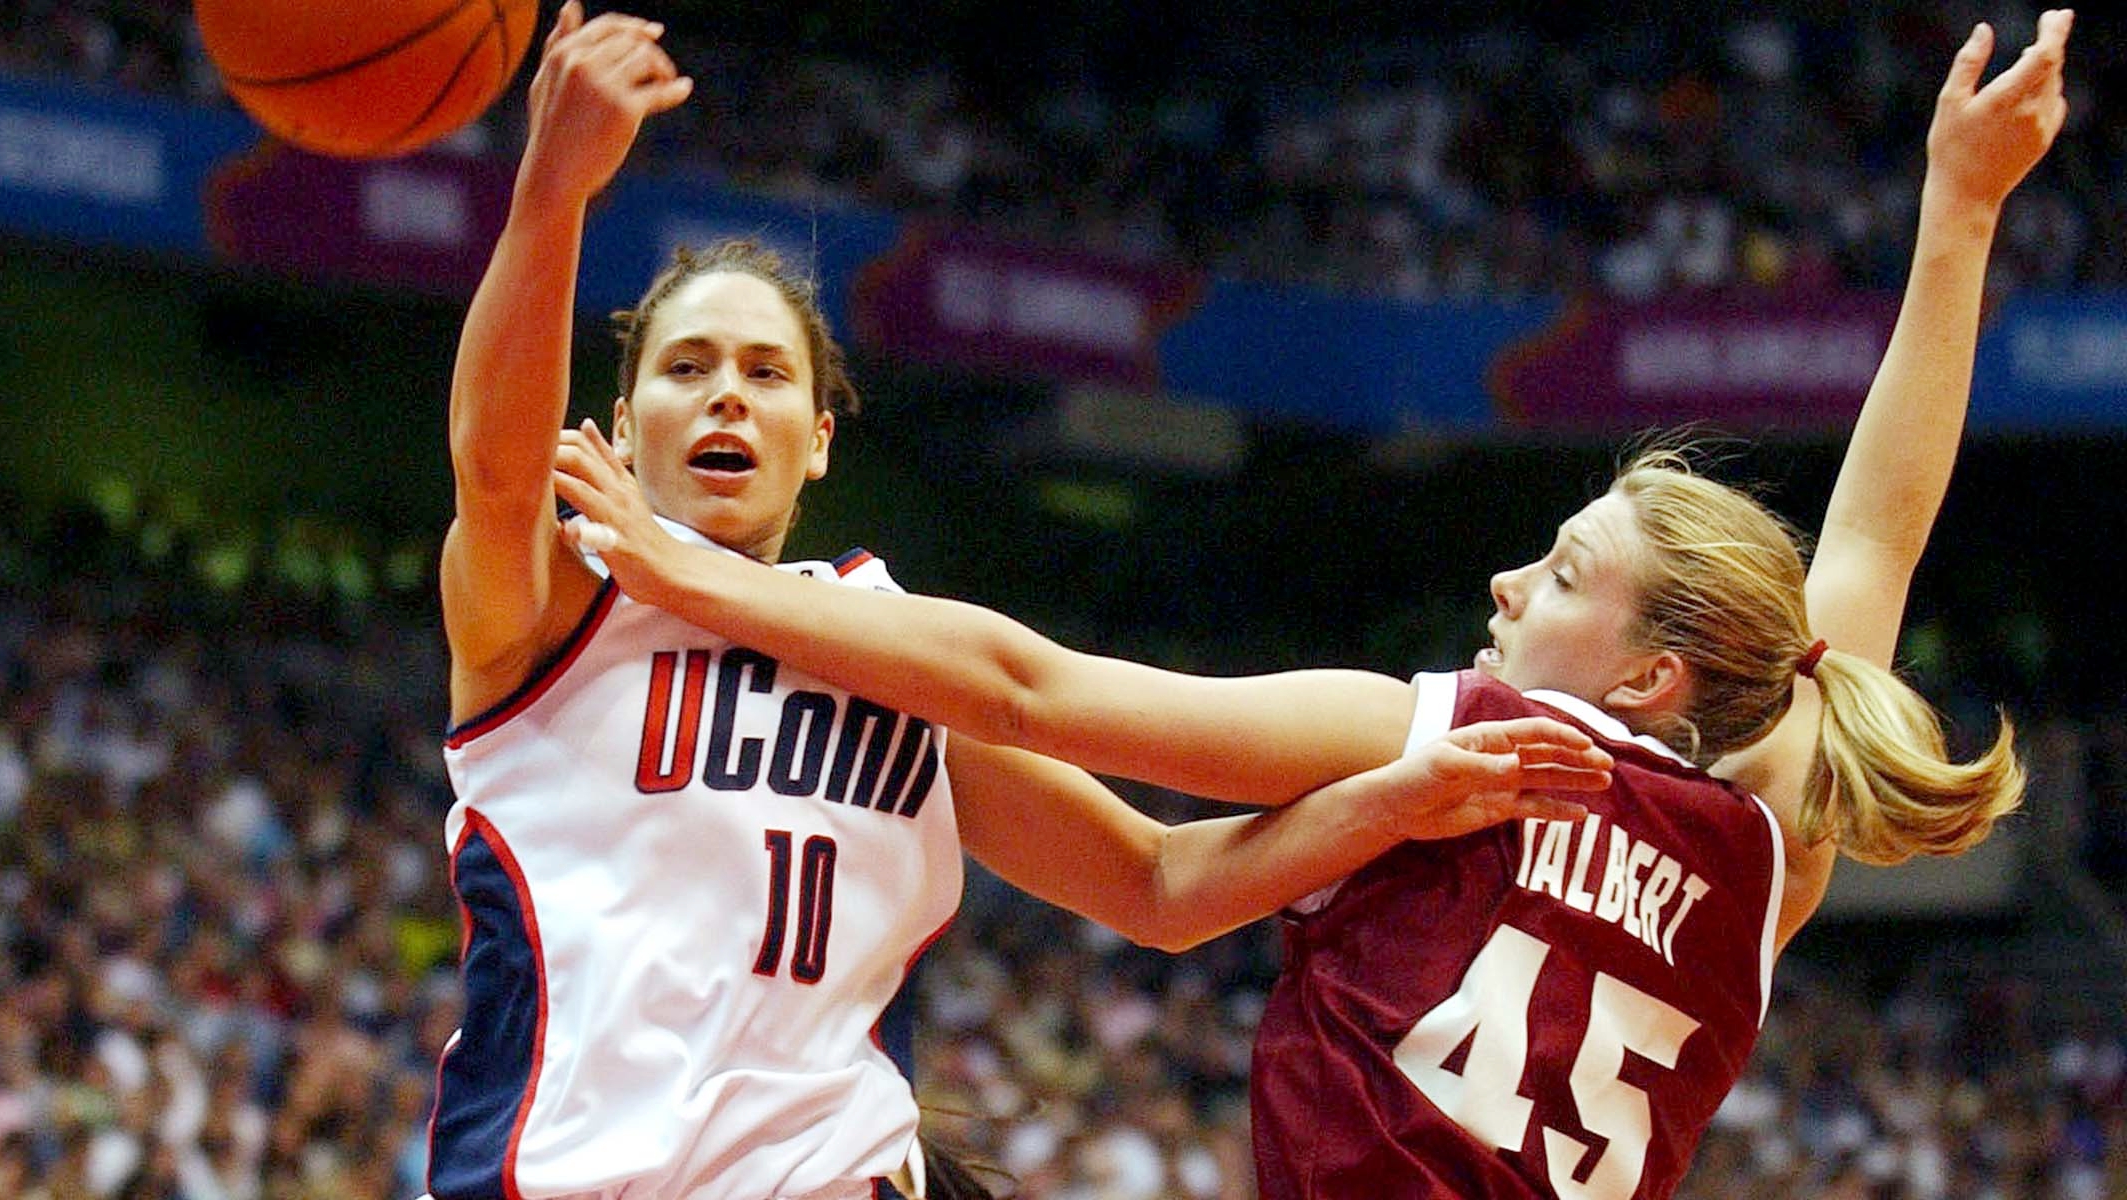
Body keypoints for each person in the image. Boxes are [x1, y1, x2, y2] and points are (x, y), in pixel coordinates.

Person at [548, 11, 2074, 1198]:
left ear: (1651, 680)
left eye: (1557, 574)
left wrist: (695, 577)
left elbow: (1028, 690)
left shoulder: (1471, 744)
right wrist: (1960, 216)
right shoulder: (1763, 859)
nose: (1504, 582)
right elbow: (1872, 543)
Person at [429, 5, 1614, 1199]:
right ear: (623, 431)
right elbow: (493, 464)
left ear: (821, 440)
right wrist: (554, 188)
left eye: (766, 372)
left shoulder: (898, 656)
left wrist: (1393, 802)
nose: (726, 395)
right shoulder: (551, 609)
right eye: (686, 368)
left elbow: (1156, 884)